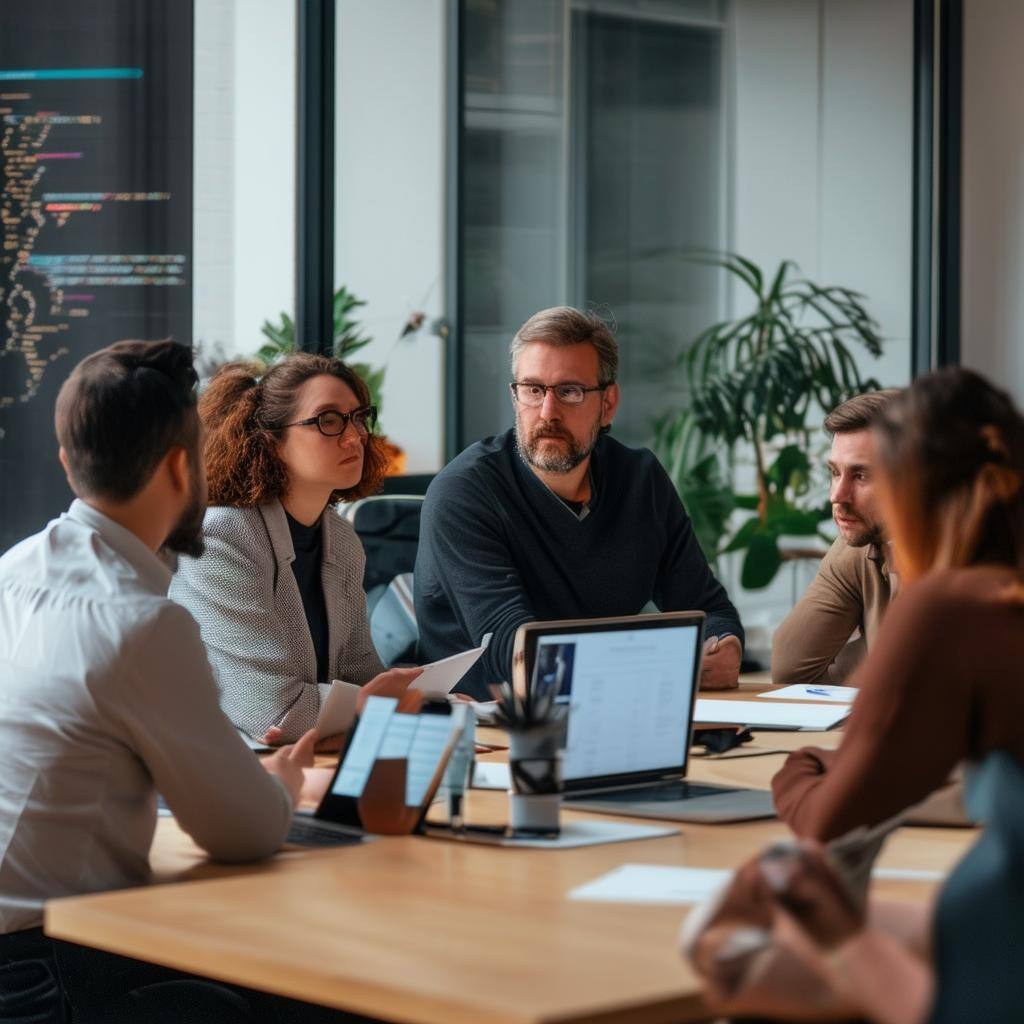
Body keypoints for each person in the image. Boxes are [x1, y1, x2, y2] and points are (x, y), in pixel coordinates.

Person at [0, 340, 338, 1022]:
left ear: (70, 463)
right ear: (185, 467)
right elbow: (241, 833)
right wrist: (282, 784)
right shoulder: (143, 623)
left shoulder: (14, 570)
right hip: (50, 971)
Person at [687, 366, 1024, 1023]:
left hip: (989, 983)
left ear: (905, 494)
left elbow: (828, 823)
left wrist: (804, 767)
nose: (845, 497)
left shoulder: (950, 608)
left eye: (869, 479)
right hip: (986, 935)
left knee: (725, 952)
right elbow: (794, 661)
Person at [415, 306, 744, 700]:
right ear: (514, 395)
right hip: (488, 730)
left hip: (609, 708)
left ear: (608, 403)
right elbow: (512, 651)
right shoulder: (465, 492)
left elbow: (708, 608)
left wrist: (724, 646)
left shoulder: (639, 480)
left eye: (570, 391)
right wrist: (662, 667)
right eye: (533, 390)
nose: (548, 412)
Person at [170, 354, 418, 743]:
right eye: (328, 421)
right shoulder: (220, 538)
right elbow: (274, 711)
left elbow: (361, 675)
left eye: (357, 418)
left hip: (314, 757)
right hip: (222, 771)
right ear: (271, 442)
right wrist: (381, 705)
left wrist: (432, 701)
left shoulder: (341, 539)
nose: (354, 437)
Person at [771, 389, 900, 685]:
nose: (836, 496)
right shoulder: (860, 547)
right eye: (834, 472)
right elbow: (791, 668)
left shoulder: (966, 561)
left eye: (861, 476)